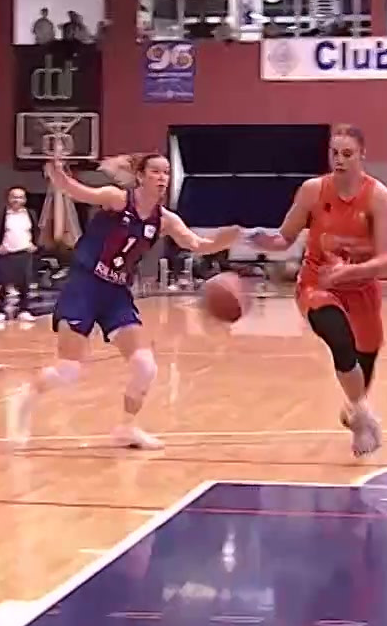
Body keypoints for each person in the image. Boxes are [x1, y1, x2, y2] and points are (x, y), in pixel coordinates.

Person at [14, 152, 240, 450]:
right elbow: (76, 191)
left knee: (146, 367)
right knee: (69, 370)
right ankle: (25, 398)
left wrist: (227, 239)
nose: (162, 178)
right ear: (141, 176)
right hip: (85, 285)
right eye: (156, 172)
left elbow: (197, 244)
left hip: (116, 293)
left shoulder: (165, 220)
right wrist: (57, 173)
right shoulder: (117, 199)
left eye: (166, 173)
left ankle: (126, 428)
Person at [251, 125, 387, 456]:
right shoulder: (312, 191)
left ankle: (356, 411)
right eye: (334, 153)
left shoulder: (378, 197)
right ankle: (364, 419)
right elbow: (284, 238)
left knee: (363, 365)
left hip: (361, 288)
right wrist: (259, 239)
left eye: (347, 154)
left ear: (362, 155)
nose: (339, 160)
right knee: (338, 338)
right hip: (317, 284)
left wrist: (350, 271)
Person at [0, 186, 39, 321]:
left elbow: (36, 231)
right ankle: (0, 310)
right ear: (8, 198)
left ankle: (24, 310)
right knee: (3, 284)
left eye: (20, 197)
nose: (17, 200)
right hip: (6, 254)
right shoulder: (0, 215)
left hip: (24, 252)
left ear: (25, 199)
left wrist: (35, 244)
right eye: (14, 197)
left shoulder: (31, 214)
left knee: (25, 283)